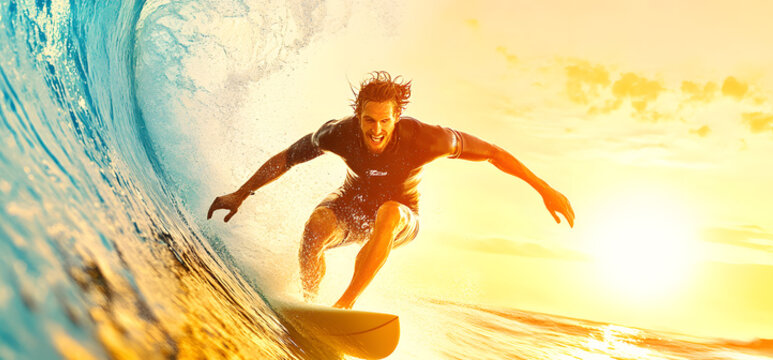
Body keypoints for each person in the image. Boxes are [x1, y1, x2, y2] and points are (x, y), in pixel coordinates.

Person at [207, 71, 574, 309]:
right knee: (315, 226)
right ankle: (310, 305)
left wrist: (544, 189)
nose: (376, 130)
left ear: (397, 117)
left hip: (400, 219)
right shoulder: (338, 133)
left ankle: (344, 306)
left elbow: (492, 153)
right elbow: (288, 158)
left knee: (390, 212)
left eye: (385, 121)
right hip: (351, 207)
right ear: (358, 115)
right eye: (369, 120)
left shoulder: (429, 139)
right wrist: (241, 193)